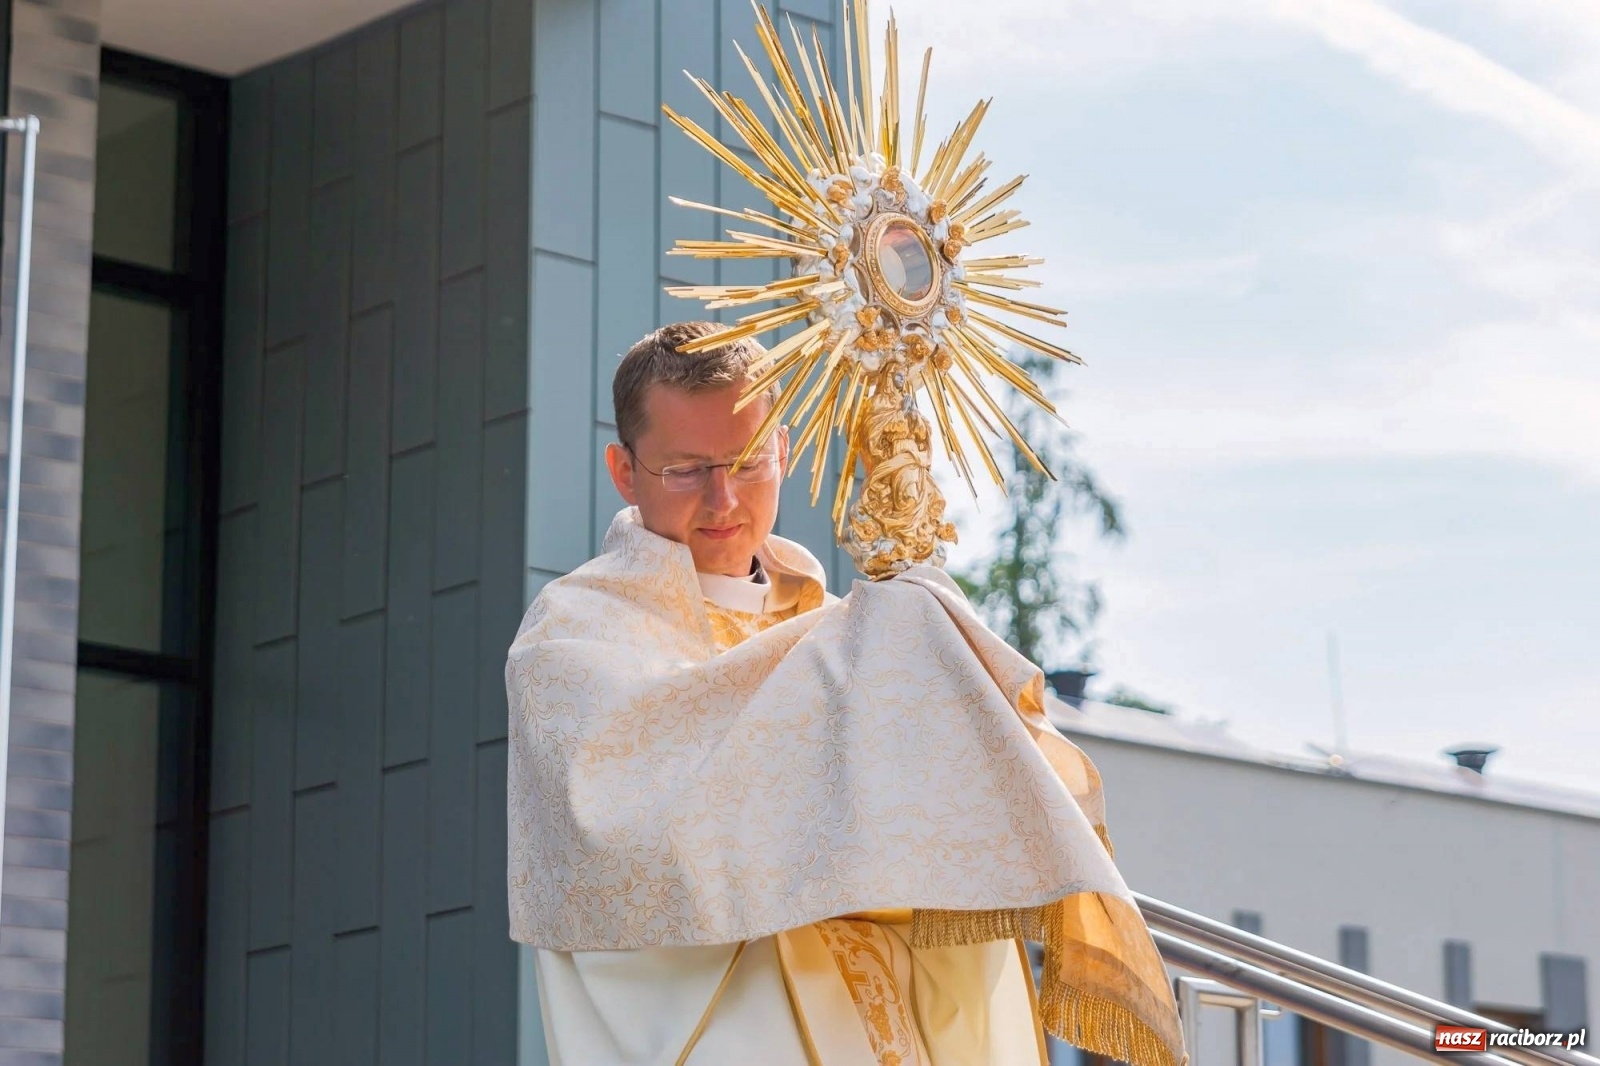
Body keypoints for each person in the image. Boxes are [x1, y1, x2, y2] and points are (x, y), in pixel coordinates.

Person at [506, 322, 1185, 1066]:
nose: (724, 498)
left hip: (889, 1022)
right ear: (625, 470)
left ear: (785, 451)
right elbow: (622, 839)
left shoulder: (841, 635)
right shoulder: (574, 633)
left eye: (747, 461)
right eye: (687, 469)